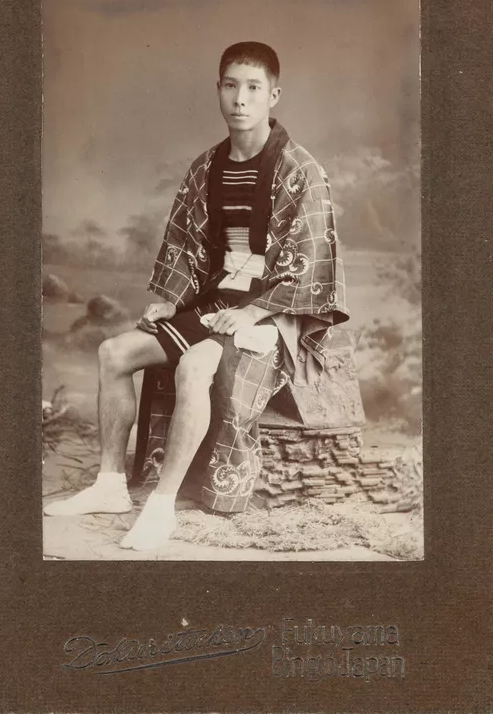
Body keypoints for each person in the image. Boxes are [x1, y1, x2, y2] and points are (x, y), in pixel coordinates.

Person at [44, 41, 349, 552]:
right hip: (215, 301)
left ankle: (161, 506)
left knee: (193, 366)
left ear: (274, 95)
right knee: (114, 353)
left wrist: (252, 312)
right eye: (230, 85)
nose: (240, 99)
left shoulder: (301, 170)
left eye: (253, 87)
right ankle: (110, 485)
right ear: (218, 90)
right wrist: (171, 299)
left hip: (273, 313)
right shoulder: (207, 166)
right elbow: (186, 245)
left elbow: (310, 261)